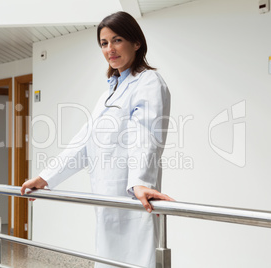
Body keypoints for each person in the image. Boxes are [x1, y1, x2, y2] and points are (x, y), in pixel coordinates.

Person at [21, 11, 173, 268]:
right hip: (105, 200)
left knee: (136, 259)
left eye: (117, 40)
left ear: (136, 43)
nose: (110, 49)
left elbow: (145, 134)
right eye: (104, 43)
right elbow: (84, 142)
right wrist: (47, 176)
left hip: (131, 198)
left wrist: (140, 182)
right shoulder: (108, 93)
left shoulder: (148, 82)